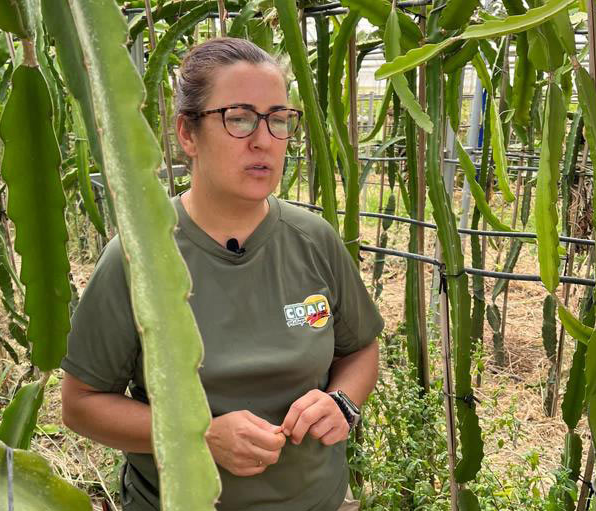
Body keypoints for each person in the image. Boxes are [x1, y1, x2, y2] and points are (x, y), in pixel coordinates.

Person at [60, 37, 384, 511]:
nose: (263, 139)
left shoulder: (314, 240)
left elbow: (360, 349)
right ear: (187, 134)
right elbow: (81, 404)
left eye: (278, 119)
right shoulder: (138, 259)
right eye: (239, 118)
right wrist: (199, 436)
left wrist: (342, 401)